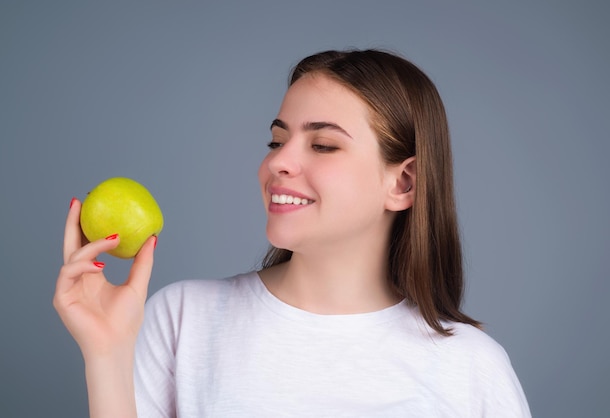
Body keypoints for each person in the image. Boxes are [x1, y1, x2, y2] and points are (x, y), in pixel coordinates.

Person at [54, 49, 531, 417]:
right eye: (277, 140)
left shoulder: (472, 368)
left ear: (402, 183)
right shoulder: (183, 320)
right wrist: (107, 354)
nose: (278, 161)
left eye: (322, 145)